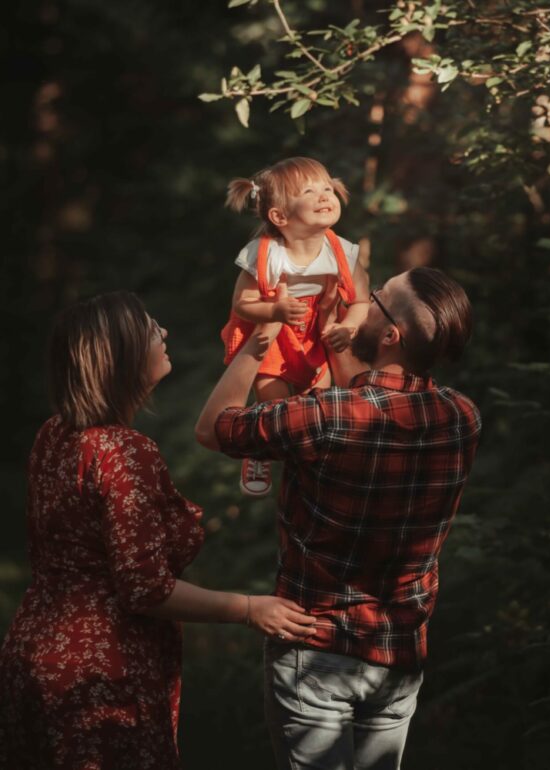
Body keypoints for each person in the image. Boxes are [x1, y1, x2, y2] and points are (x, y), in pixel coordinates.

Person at [0, 291, 316, 770]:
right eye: (151, 329)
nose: (163, 333)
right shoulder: (125, 453)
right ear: (123, 356)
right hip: (102, 673)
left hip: (33, 652)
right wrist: (251, 609)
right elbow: (146, 591)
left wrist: (262, 338)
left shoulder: (55, 433)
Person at [196, 267, 482, 770]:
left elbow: (213, 429)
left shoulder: (324, 417)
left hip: (316, 649)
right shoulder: (462, 417)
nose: (362, 303)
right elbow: (372, 403)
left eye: (376, 299)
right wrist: (335, 330)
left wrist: (258, 340)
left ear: (391, 334)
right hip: (398, 651)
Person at [221, 156, 370, 497]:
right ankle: (259, 449)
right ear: (280, 216)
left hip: (314, 332)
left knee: (314, 401)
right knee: (273, 404)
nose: (324, 196)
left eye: (327, 188)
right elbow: (241, 305)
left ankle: (308, 464)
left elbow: (361, 300)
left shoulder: (342, 253)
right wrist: (274, 309)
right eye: (309, 191)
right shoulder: (266, 254)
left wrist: (348, 326)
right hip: (270, 334)